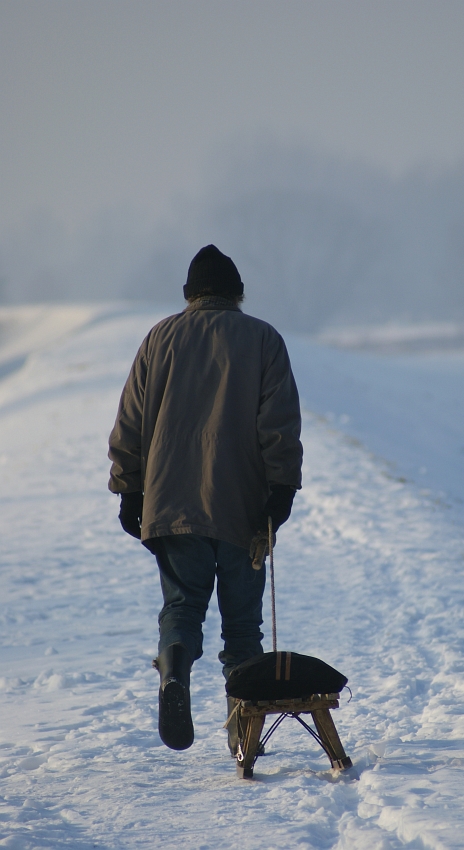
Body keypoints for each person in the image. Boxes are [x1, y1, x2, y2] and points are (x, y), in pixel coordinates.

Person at [108, 245, 303, 752]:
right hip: (242, 508)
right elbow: (278, 423)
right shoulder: (263, 338)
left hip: (171, 506)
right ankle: (244, 732)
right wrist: (281, 490)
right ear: (238, 294)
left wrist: (129, 488)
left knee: (182, 606)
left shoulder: (159, 339)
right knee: (242, 628)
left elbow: (129, 421)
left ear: (189, 296)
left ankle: (173, 671)